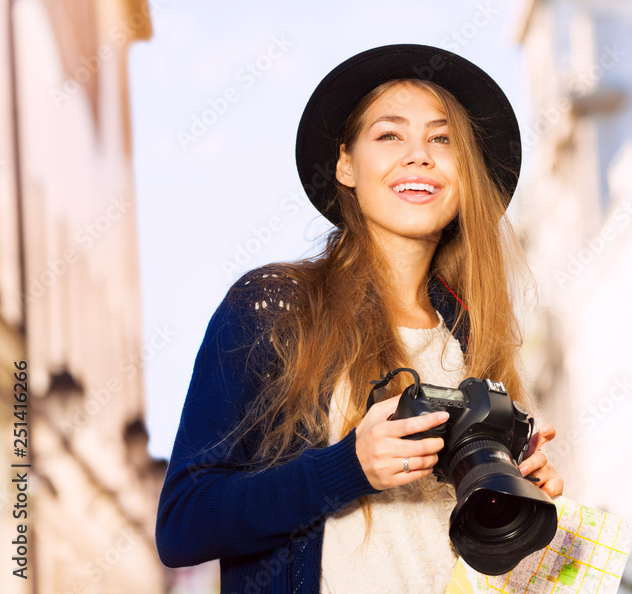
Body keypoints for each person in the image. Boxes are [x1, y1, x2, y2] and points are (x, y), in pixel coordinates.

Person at [155, 43, 564, 593]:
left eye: (442, 140)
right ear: (346, 163)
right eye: (390, 134)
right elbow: (184, 524)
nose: (419, 156)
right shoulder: (274, 309)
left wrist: (518, 502)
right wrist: (349, 467)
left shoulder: (473, 335)